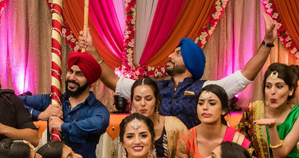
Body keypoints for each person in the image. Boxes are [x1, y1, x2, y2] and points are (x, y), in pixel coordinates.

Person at [82, 25, 278, 129]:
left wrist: (268, 43)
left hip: (192, 157)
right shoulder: (153, 89)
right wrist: (93, 52)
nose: (169, 56)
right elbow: (114, 82)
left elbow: (245, 76)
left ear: (190, 62)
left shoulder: (207, 89)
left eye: (177, 53)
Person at [21, 52, 111, 158]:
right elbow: (14, 102)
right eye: (70, 71)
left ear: (90, 81)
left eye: (79, 74)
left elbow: (100, 123)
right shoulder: (54, 101)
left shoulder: (96, 109)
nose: (72, 78)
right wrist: (40, 115)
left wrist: (63, 126)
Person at [237, 63, 299, 158]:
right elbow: (240, 144)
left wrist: (272, 127)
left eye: (279, 86)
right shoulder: (253, 109)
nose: (272, 92)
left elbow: (280, 156)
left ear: (291, 90)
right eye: (268, 86)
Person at [175, 84, 252, 158]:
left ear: (223, 110)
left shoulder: (237, 141)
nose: (205, 108)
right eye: (201, 103)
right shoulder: (186, 141)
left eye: (212, 103)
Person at [129, 77, 186, 158]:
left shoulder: (175, 126)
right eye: (137, 99)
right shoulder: (128, 128)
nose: (143, 103)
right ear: (132, 103)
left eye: (148, 99)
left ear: (157, 101)